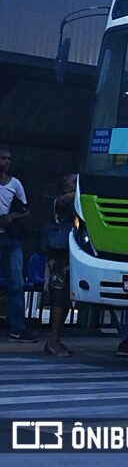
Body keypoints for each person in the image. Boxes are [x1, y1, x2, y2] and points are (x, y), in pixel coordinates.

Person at [0, 145, 37, 343]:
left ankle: (17, 328)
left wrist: (12, 216)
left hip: (10, 237)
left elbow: (26, 210)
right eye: (3, 158)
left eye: (8, 159)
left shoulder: (15, 184)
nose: (6, 162)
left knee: (16, 282)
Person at [44, 173, 77, 356]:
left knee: (65, 301)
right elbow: (66, 200)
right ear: (65, 187)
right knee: (59, 298)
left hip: (70, 256)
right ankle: (53, 340)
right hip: (59, 258)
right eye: (74, 183)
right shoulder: (60, 201)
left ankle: (55, 340)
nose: (77, 185)